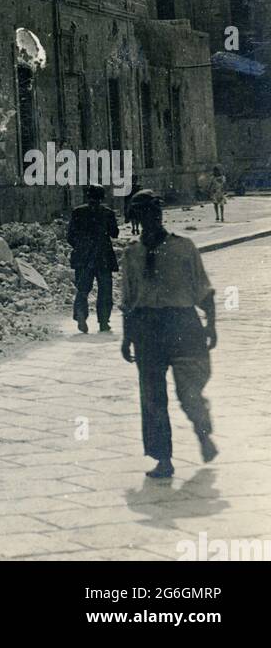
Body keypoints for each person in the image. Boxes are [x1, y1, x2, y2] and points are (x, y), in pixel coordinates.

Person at [121, 190, 218, 479]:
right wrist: (127, 338)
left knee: (189, 392)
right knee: (152, 398)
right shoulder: (131, 254)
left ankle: (203, 433)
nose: (153, 217)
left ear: (161, 214)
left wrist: (211, 325)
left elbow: (203, 289)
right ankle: (163, 458)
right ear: (136, 218)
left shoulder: (184, 248)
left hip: (183, 325)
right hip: (147, 328)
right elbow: (128, 301)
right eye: (145, 213)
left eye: (156, 211)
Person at [67, 185, 119, 333]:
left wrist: (81, 246)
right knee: (105, 290)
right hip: (103, 257)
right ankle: (103, 321)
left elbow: (70, 236)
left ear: (87, 196)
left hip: (83, 258)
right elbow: (114, 233)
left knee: (82, 289)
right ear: (102, 197)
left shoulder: (78, 212)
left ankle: (81, 315)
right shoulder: (107, 213)